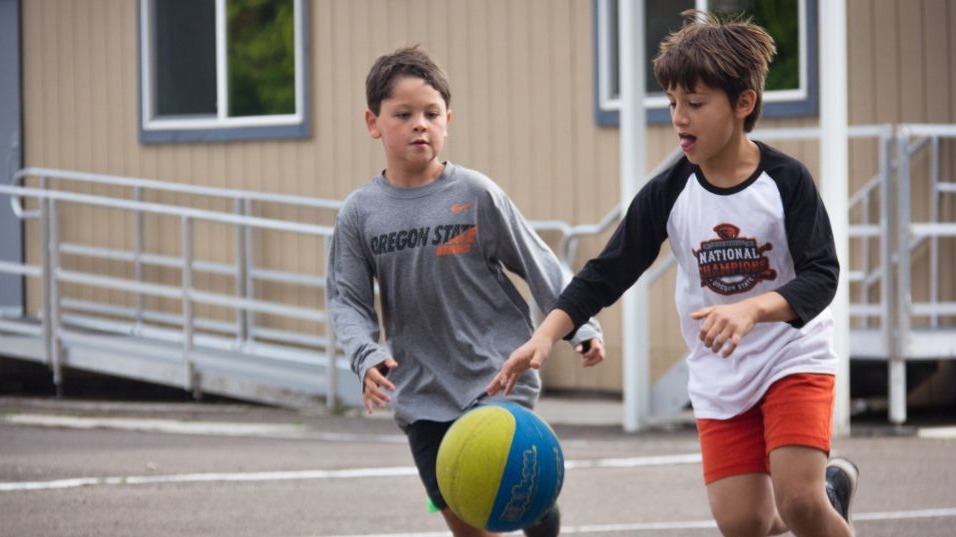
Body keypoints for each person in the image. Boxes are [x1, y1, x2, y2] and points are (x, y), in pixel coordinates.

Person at [487, 10, 860, 537]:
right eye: (672, 103)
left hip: (791, 355)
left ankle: (817, 500)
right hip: (720, 369)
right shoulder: (668, 192)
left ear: (743, 103)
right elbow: (606, 272)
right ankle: (831, 495)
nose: (679, 118)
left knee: (798, 502)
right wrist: (544, 336)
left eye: (695, 104)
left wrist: (752, 310)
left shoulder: (785, 181)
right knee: (745, 523)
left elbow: (822, 276)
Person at [326, 45, 605, 537]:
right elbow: (346, 298)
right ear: (373, 123)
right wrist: (366, 356)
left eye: (431, 114)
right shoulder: (359, 213)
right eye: (404, 114)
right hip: (421, 392)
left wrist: (579, 324)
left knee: (509, 489)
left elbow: (538, 260)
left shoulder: (475, 193)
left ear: (447, 121)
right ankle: (533, 509)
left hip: (496, 376)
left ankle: (539, 509)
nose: (420, 125)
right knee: (469, 521)